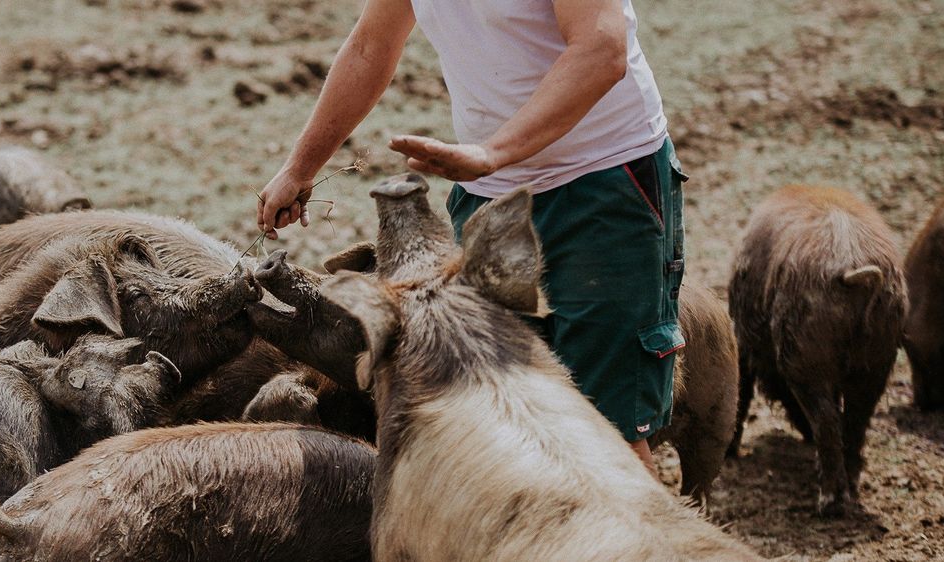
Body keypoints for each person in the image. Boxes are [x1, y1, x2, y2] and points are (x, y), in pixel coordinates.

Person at [255, 0, 687, 472]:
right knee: (501, 409)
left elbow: (601, 50)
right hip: (489, 194)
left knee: (608, 431)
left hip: (601, 181)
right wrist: (301, 167)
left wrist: (493, 152)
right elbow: (369, 45)